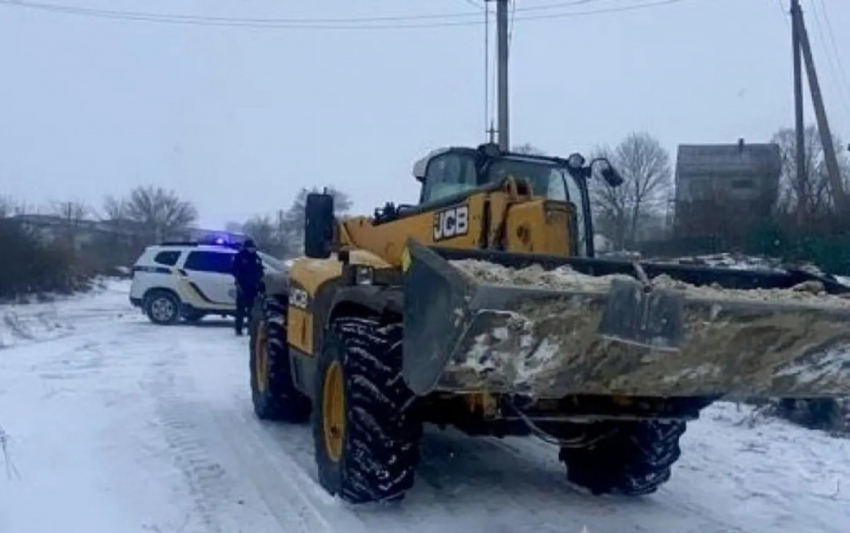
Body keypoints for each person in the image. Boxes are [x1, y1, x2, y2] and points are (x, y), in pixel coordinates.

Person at [231, 238, 265, 336]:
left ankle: (251, 329)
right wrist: (239, 279)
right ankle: (238, 329)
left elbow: (260, 271)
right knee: (240, 310)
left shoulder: (256, 257)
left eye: (253, 247)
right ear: (246, 247)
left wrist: (260, 283)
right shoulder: (240, 257)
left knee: (252, 310)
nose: (252, 249)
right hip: (242, 286)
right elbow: (234, 269)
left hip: (253, 287)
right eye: (251, 247)